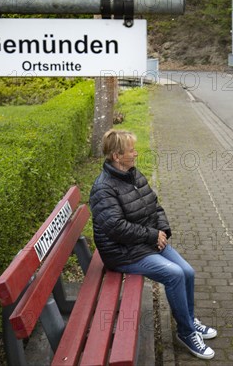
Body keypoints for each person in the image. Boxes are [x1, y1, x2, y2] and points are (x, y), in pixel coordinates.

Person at [89, 129, 217, 360]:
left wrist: (162, 231)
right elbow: (116, 228)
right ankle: (186, 333)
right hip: (123, 252)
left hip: (147, 241)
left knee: (187, 271)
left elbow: (154, 205)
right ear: (117, 156)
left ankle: (188, 320)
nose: (136, 153)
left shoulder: (133, 175)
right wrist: (151, 235)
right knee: (175, 274)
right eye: (131, 150)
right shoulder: (103, 188)